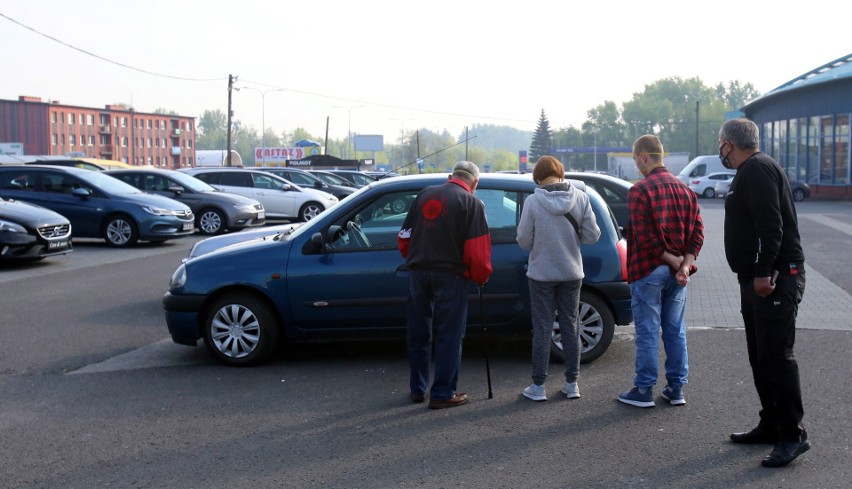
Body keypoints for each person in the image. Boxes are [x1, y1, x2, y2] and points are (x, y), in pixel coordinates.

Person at [719, 118, 810, 468]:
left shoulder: (757, 169)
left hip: (773, 279)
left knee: (776, 358)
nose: (720, 149)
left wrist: (762, 271)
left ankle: (792, 434)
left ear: (730, 143)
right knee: (760, 357)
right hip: (755, 279)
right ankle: (771, 423)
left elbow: (771, 225)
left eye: (721, 143)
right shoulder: (752, 170)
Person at [397, 161, 493, 409]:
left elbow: (404, 236)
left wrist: (415, 257)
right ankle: (442, 393)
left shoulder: (424, 195)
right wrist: (480, 276)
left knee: (419, 332)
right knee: (449, 335)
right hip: (451, 276)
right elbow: (478, 250)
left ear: (450, 176)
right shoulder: (471, 203)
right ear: (475, 183)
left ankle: (417, 389)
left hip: (418, 273)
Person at [618, 134, 704, 408]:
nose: (635, 165)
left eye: (635, 159)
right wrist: (685, 264)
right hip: (678, 274)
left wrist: (674, 261)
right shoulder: (686, 191)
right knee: (675, 330)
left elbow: (644, 238)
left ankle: (643, 390)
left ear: (644, 157)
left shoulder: (639, 191)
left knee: (647, 331)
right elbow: (698, 232)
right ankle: (676, 389)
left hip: (648, 271)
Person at [516, 155, 600, 401]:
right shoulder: (581, 198)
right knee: (570, 325)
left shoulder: (533, 201)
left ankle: (538, 387)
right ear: (560, 173)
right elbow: (593, 235)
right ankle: (572, 384)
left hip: (541, 274)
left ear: (538, 177)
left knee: (542, 328)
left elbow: (523, 240)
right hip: (571, 273)